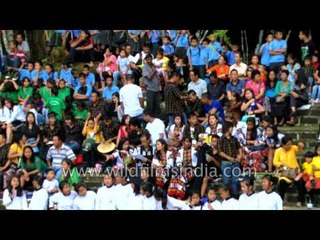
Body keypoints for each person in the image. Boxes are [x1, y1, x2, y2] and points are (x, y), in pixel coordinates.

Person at [273, 136, 305, 206]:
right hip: (285, 173)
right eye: (288, 144)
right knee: (281, 182)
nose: (290, 146)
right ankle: (280, 201)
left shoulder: (293, 148)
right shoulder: (278, 151)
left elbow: (299, 149)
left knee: (301, 181)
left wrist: (300, 145)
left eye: (290, 144)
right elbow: (275, 162)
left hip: (295, 172)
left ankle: (300, 201)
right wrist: (281, 164)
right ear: (283, 144)